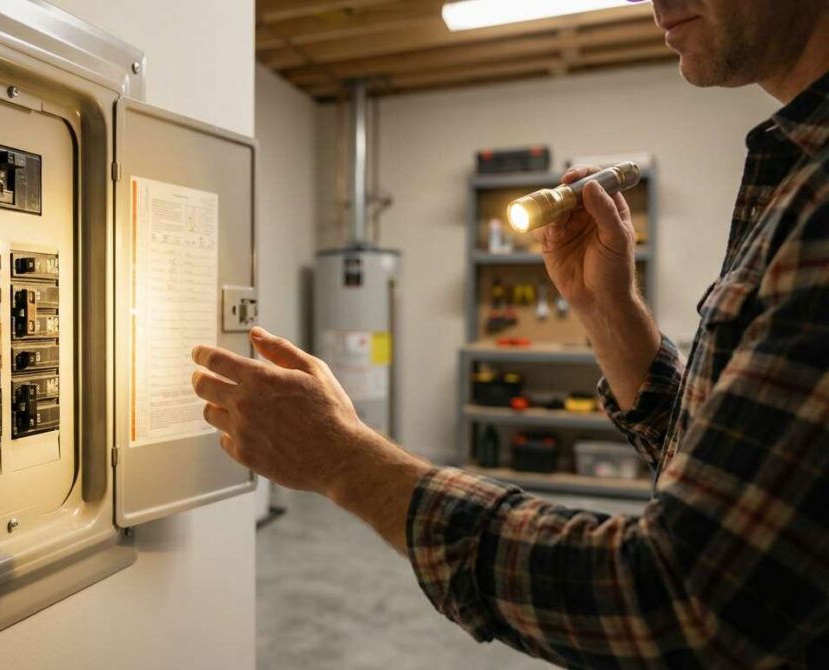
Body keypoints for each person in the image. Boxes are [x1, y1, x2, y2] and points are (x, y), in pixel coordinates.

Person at [191, 0, 829, 665]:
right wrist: (603, 307)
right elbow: (700, 454)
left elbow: (682, 601)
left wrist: (346, 461)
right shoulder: (794, 173)